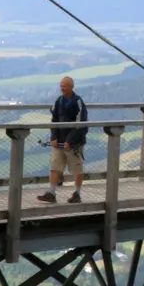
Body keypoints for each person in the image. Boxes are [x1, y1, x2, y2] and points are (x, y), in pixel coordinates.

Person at [38, 75, 89, 204]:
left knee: (76, 169)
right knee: (54, 167)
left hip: (74, 144)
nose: (62, 88)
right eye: (61, 86)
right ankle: (51, 193)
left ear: (71, 87)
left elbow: (80, 123)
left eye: (64, 86)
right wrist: (53, 137)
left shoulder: (78, 102)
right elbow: (54, 120)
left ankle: (77, 193)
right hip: (59, 142)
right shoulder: (58, 101)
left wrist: (70, 141)